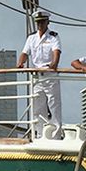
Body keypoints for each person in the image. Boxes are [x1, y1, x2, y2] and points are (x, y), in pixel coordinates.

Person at [18, 9, 62, 138]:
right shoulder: (31, 38)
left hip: (50, 76)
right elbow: (25, 53)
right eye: (38, 22)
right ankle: (40, 134)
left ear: (47, 22)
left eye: (42, 22)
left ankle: (56, 135)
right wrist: (20, 63)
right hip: (37, 77)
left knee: (54, 105)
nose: (40, 25)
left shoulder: (53, 37)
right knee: (37, 107)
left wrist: (53, 65)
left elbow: (56, 52)